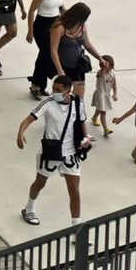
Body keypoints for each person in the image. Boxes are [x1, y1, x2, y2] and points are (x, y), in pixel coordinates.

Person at [17, 74, 90, 225]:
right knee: (40, 183)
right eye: (53, 88)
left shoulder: (78, 104)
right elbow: (29, 118)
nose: (54, 92)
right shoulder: (48, 103)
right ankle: (29, 207)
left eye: (58, 90)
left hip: (70, 153)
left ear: (68, 90)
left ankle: (76, 228)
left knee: (75, 191)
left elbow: (82, 122)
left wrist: (86, 137)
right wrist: (21, 133)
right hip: (51, 151)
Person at [24, 0, 65, 98]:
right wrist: (30, 31)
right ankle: (36, 84)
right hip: (42, 25)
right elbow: (31, 12)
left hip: (56, 23)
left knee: (48, 55)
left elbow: (61, 7)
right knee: (46, 53)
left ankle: (40, 84)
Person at [48, 2, 100, 101]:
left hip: (78, 67)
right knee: (60, 98)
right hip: (63, 66)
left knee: (78, 99)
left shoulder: (82, 26)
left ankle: (75, 115)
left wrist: (99, 58)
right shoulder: (59, 27)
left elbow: (87, 44)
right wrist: (60, 71)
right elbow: (53, 50)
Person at [91, 55, 118, 137]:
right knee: (103, 112)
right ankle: (105, 129)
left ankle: (94, 117)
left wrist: (115, 94)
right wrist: (104, 68)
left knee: (99, 109)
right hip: (100, 94)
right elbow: (99, 75)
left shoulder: (113, 74)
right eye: (106, 65)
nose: (109, 68)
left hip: (107, 95)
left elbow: (114, 85)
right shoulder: (100, 72)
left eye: (110, 65)